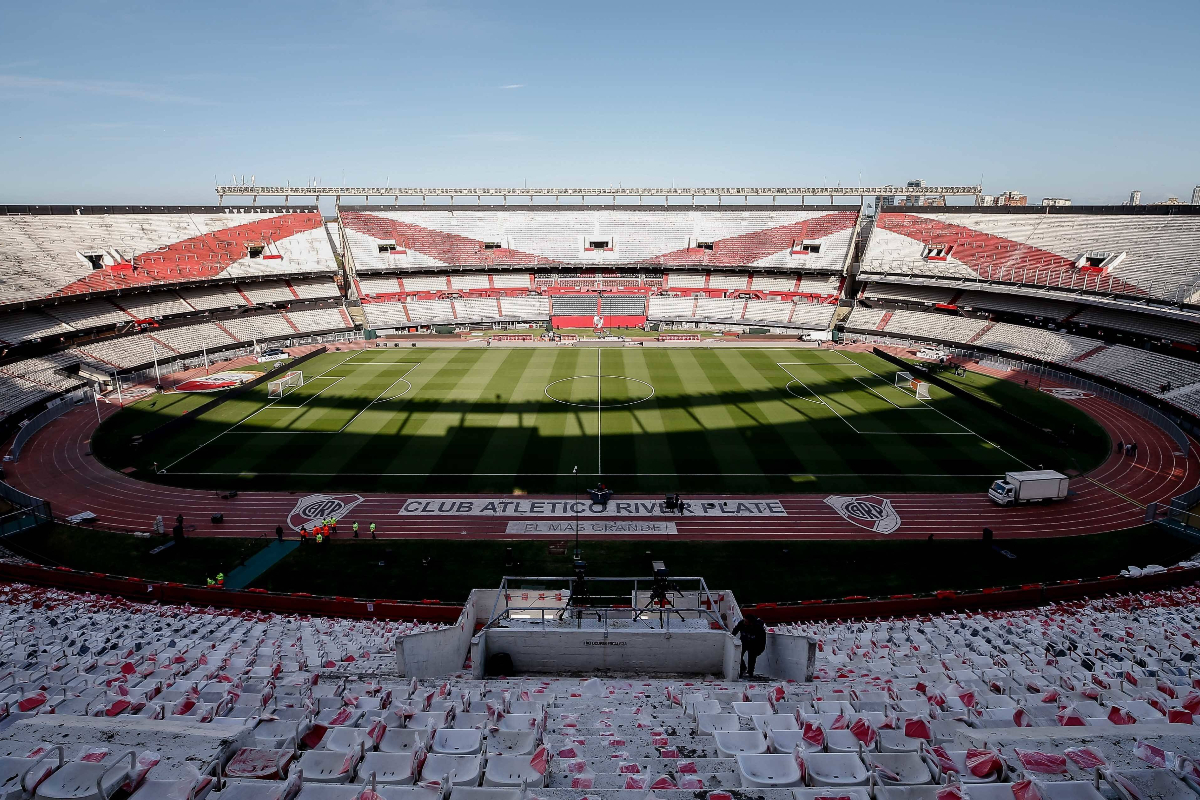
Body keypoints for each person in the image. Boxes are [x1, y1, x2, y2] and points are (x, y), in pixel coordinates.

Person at [732, 613, 767, 679]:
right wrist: (732, 638)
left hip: (754, 643)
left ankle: (750, 672)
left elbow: (762, 640)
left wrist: (760, 649)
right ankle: (743, 668)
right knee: (738, 655)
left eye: (746, 622)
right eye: (744, 621)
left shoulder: (758, 627)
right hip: (744, 641)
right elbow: (735, 630)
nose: (744, 622)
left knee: (752, 657)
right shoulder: (742, 623)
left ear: (751, 622)